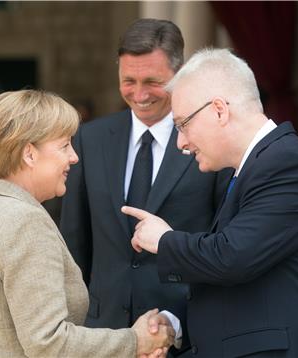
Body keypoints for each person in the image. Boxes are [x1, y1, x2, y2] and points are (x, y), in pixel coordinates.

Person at [122, 48, 298, 357]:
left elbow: (232, 257)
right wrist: (173, 322)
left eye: (182, 125)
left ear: (219, 110)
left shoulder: (287, 163)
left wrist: (164, 240)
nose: (180, 143)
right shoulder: (253, 168)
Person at [0, 89, 175, 357]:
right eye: (64, 145)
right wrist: (135, 341)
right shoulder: (24, 222)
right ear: (29, 154)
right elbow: (49, 343)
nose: (74, 157)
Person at [59, 18, 230, 353]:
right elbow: (74, 246)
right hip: (102, 336)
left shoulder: (212, 144)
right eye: (128, 81)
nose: (139, 94)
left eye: (153, 81)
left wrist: (177, 323)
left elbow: (223, 245)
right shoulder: (88, 140)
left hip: (189, 335)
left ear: (180, 75)